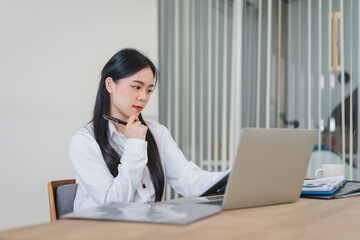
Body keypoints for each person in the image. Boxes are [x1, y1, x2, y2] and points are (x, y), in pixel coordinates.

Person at [69, 48, 222, 211]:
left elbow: (187, 178)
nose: (143, 97)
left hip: (147, 227)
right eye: (136, 87)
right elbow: (112, 204)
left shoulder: (157, 132)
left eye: (149, 90)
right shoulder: (84, 141)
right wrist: (135, 144)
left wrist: (230, 179)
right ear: (110, 85)